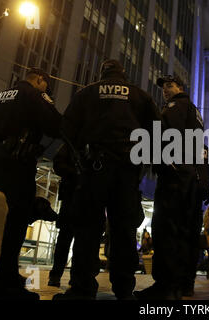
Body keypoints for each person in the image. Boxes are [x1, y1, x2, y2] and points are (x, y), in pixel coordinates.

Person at [53, 59, 161, 300]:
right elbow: (158, 132)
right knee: (123, 230)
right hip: (127, 171)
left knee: (88, 229)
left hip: (94, 168)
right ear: (123, 75)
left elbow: (66, 129)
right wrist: (142, 163)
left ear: (102, 74)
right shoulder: (140, 96)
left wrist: (80, 158)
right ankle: (124, 290)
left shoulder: (87, 93)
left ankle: (82, 288)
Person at [0, 68, 61, 300]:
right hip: (15, 162)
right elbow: (55, 125)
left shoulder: (0, 96)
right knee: (14, 221)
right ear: (40, 80)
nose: (45, 90)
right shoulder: (32, 95)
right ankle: (6, 284)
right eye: (46, 86)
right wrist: (48, 102)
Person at [134, 75, 205, 300]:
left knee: (165, 229)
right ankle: (179, 285)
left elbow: (162, 131)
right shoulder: (193, 110)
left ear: (180, 88)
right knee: (181, 232)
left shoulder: (176, 106)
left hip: (174, 175)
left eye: (170, 86)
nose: (165, 90)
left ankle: (165, 287)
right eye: (164, 87)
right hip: (187, 176)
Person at [47, 144, 76, 287]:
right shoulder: (73, 144)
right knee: (65, 240)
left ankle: (76, 278)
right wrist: (76, 173)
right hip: (72, 197)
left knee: (81, 242)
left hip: (86, 198)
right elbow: (58, 164)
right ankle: (56, 275)